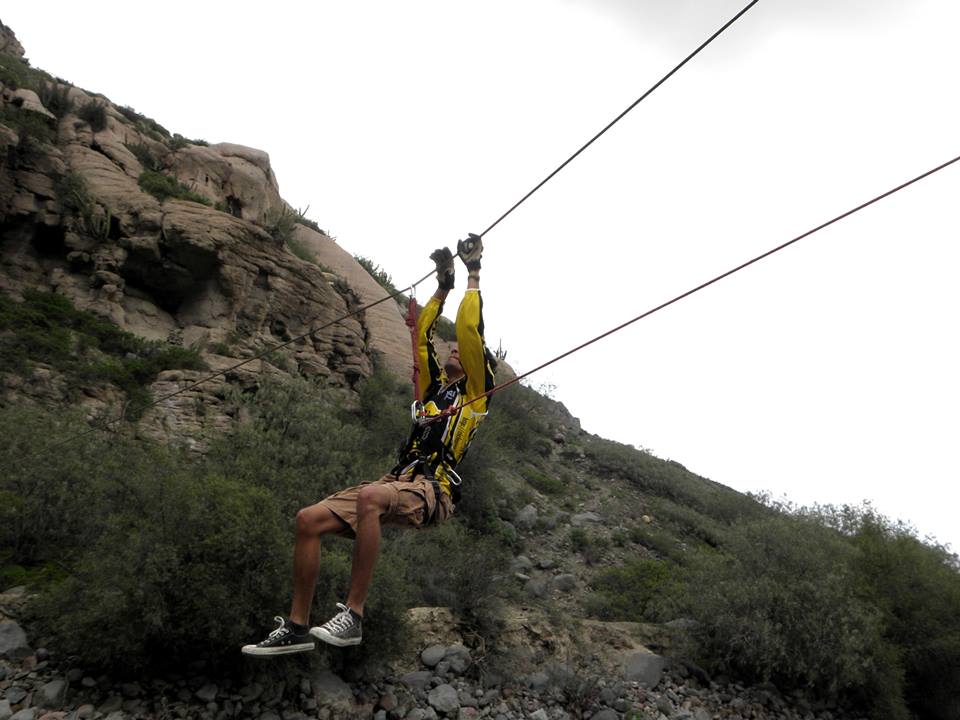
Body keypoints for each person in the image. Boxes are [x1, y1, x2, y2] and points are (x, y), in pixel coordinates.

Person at [242, 234, 496, 655]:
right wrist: (442, 286)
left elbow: (470, 330)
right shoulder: (434, 393)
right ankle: (297, 626)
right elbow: (421, 339)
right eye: (450, 348)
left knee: (372, 498)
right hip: (399, 481)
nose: (454, 349)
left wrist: (473, 274)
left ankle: (353, 616)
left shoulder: (474, 396)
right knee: (308, 520)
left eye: (462, 352)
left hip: (432, 490)